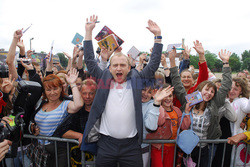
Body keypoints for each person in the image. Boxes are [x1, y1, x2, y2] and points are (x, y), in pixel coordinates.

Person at [83, 15, 163, 167]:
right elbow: (89, 60)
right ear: (110, 68)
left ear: (129, 67)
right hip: (106, 144)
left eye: (122, 65)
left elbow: (153, 65)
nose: (119, 68)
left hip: (131, 147)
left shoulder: (136, 80)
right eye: (115, 65)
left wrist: (157, 37)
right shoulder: (103, 79)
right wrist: (88, 32)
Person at [169, 48, 232, 166]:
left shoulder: (214, 102)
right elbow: (177, 84)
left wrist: (225, 63)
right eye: (206, 89)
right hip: (188, 147)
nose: (209, 93)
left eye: (212, 91)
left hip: (206, 147)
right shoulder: (190, 100)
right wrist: (172, 62)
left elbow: (226, 85)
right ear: (199, 90)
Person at [30, 68, 83, 167]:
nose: (52, 92)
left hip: (59, 150)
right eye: (48, 90)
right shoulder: (41, 104)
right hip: (40, 150)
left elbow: (78, 105)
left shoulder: (65, 104)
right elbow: (33, 121)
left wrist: (72, 83)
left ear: (61, 89)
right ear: (44, 91)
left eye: (55, 89)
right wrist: (33, 128)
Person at [147, 83, 191, 167]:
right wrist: (158, 103)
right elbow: (159, 121)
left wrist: (187, 112)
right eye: (165, 96)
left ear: (173, 97)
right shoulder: (156, 109)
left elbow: (184, 126)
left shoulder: (176, 110)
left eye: (170, 96)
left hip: (172, 147)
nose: (168, 99)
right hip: (158, 147)